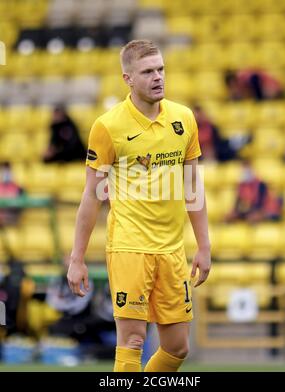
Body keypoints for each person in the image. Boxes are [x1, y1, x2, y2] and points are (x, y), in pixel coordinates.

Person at [67, 40, 211, 372]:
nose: (158, 77)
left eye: (161, 69)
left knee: (177, 348)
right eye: (148, 72)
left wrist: (203, 246)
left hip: (172, 251)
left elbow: (192, 186)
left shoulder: (184, 119)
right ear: (128, 78)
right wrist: (77, 258)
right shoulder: (108, 127)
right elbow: (92, 195)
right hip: (129, 248)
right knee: (132, 343)